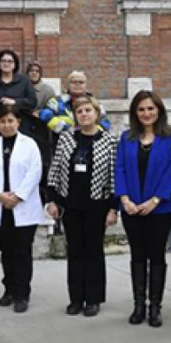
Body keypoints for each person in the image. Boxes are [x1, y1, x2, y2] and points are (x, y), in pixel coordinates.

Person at [45, 96, 119, 317]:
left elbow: (114, 176)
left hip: (97, 204)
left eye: (88, 110)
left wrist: (113, 209)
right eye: (80, 111)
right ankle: (76, 298)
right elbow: (55, 169)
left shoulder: (109, 141)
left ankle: (93, 299)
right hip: (71, 205)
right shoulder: (66, 139)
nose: (84, 114)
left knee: (94, 251)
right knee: (75, 251)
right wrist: (52, 199)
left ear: (96, 114)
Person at [116, 90, 171, 328]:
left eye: (151, 108)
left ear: (159, 111)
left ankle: (155, 306)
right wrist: (124, 200)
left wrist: (155, 200)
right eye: (141, 109)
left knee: (156, 257)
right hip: (131, 208)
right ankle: (138, 305)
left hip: (160, 209)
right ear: (135, 113)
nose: (146, 113)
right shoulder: (127, 138)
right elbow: (120, 169)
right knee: (137, 256)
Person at [0, 105, 47, 313]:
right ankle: (8, 289)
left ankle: (22, 293)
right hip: (1, 206)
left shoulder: (30, 145)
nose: (6, 125)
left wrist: (17, 196)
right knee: (6, 251)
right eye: (2, 121)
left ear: (18, 122)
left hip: (23, 205)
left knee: (22, 251)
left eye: (11, 121)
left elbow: (35, 173)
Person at [41, 71, 111, 134]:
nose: (77, 84)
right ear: (68, 84)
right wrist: (66, 129)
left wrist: (90, 132)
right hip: (63, 142)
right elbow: (44, 114)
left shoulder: (95, 103)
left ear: (85, 85)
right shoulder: (57, 102)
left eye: (81, 82)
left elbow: (105, 124)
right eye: (74, 82)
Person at [0, 49, 36, 125]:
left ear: (15, 64)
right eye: (3, 61)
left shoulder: (24, 81)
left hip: (21, 123)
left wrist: (14, 102)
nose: (6, 64)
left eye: (10, 61)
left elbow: (33, 101)